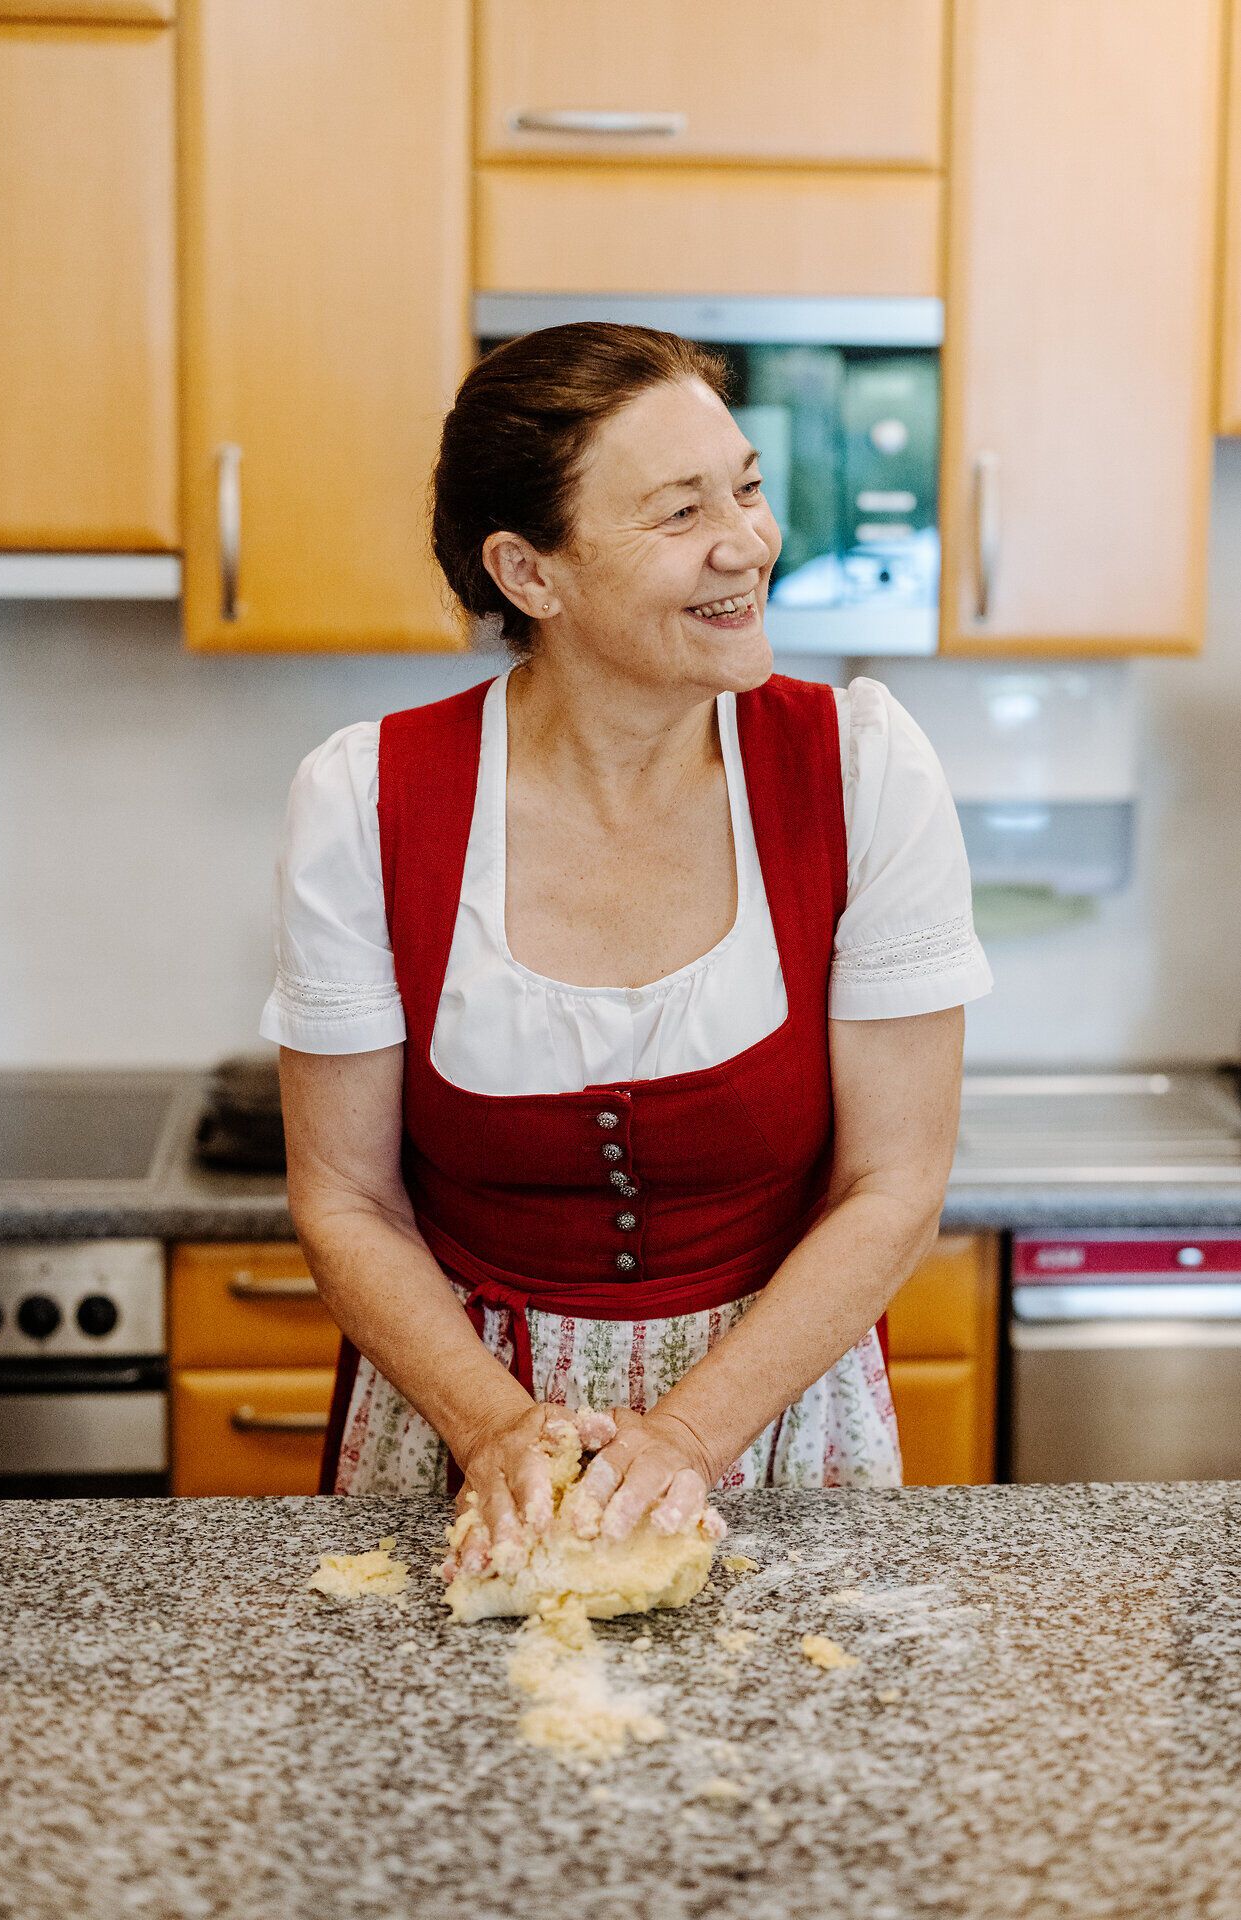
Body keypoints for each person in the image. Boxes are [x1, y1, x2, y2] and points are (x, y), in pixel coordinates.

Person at [260, 323, 992, 1577]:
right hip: (465, 1441)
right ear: (529, 574)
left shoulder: (861, 769)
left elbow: (893, 1182)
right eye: (680, 511)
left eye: (749, 488)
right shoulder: (366, 799)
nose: (749, 541)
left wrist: (692, 1433)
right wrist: (498, 1432)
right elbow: (346, 1196)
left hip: (772, 1425)